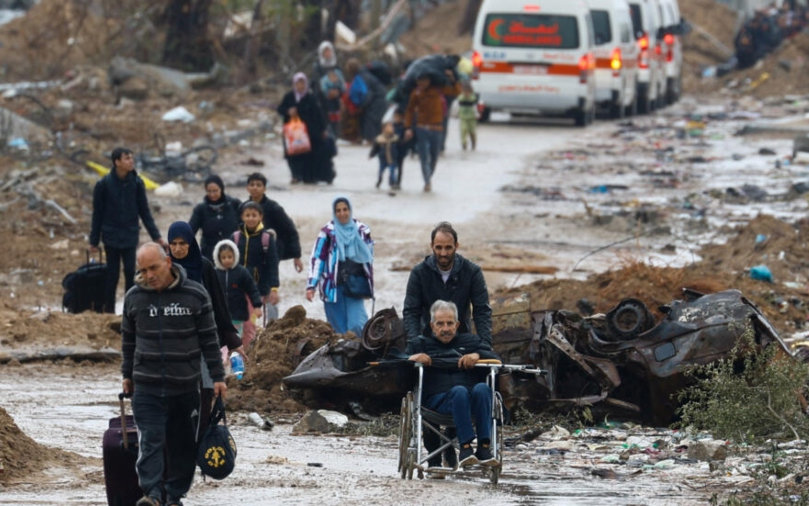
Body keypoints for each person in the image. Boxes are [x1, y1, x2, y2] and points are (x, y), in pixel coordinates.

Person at [121, 242, 227, 506]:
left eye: (153, 268)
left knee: (183, 447)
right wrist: (127, 374)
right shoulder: (134, 297)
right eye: (143, 270)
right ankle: (153, 495)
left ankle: (174, 495)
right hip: (147, 385)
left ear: (167, 262)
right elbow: (128, 340)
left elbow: (209, 340)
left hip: (185, 385)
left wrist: (218, 376)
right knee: (150, 442)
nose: (149, 275)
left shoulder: (195, 294)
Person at [166, 221, 244, 438]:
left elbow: (218, 304)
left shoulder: (204, 267)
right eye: (174, 243)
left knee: (205, 390)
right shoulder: (163, 269)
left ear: (191, 243)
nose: (178, 248)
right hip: (172, 344)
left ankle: (200, 439)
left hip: (202, 339)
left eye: (183, 243)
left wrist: (233, 340)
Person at [406, 300, 500, 468]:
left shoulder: (471, 342)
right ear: (432, 326)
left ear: (457, 325)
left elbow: (496, 360)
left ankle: (484, 448)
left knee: (483, 388)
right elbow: (398, 366)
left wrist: (477, 355)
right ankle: (465, 448)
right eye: (440, 324)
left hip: (469, 402)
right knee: (459, 391)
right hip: (437, 403)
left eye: (450, 323)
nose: (445, 328)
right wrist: (411, 359)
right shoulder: (420, 345)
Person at [89, 147, 166, 313]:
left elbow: (144, 212)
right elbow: (98, 214)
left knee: (131, 272)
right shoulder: (104, 185)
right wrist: (93, 241)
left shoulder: (137, 183)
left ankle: (130, 309)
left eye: (131, 158)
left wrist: (157, 237)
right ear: (117, 162)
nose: (131, 161)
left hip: (130, 235)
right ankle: (108, 309)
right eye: (127, 158)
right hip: (111, 235)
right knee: (112, 274)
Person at [403, 221, 492, 345]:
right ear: (431, 246)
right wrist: (414, 344)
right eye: (439, 247)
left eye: (448, 247)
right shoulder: (419, 273)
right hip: (428, 339)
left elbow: (482, 311)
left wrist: (485, 345)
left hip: (462, 339)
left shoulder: (472, 272)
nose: (443, 253)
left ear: (456, 245)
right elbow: (411, 311)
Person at [306, 197, 374, 336]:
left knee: (357, 325)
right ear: (334, 212)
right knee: (338, 331)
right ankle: (342, 357)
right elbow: (317, 258)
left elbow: (368, 259)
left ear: (350, 210)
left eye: (345, 209)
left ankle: (360, 355)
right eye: (338, 210)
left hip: (355, 286)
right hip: (332, 288)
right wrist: (311, 285)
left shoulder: (361, 231)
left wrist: (369, 286)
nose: (342, 214)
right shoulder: (328, 233)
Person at [232, 201, 280, 351]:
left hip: (258, 291)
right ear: (242, 216)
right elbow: (226, 263)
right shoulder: (235, 238)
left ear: (260, 217)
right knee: (235, 325)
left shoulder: (266, 239)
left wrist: (273, 288)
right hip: (236, 291)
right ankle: (236, 356)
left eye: (254, 215)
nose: (251, 218)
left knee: (252, 326)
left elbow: (273, 264)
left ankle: (250, 357)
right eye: (248, 215)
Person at [403, 72, 461, 192]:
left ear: (429, 81)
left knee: (434, 157)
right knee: (424, 156)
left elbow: (456, 92)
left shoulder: (439, 90)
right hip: (421, 128)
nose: (422, 83)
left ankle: (428, 177)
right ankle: (427, 181)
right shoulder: (416, 93)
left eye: (424, 80)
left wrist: (452, 80)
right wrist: (408, 127)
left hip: (437, 129)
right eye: (419, 81)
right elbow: (410, 110)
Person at [277, 73, 334, 184]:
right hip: (292, 133)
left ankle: (309, 177)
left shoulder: (310, 97)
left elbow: (319, 115)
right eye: (298, 83)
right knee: (292, 155)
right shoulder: (289, 97)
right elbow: (280, 109)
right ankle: (296, 176)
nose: (300, 86)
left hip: (309, 133)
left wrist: (322, 130)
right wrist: (288, 111)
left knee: (308, 155)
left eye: (302, 83)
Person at [244, 172, 304, 276]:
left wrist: (296, 256)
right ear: (247, 188)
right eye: (252, 185)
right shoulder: (243, 208)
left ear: (264, 188)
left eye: (258, 185)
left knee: (268, 282)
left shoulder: (274, 208)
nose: (255, 188)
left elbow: (290, 230)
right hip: (249, 251)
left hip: (271, 251)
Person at [213, 239, 262, 362]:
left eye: (230, 257)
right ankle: (223, 363)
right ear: (218, 258)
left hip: (237, 315)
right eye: (223, 257)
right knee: (221, 339)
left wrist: (257, 305)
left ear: (235, 256)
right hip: (220, 316)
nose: (227, 260)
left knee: (235, 340)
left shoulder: (241, 272)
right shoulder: (214, 273)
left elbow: (252, 289)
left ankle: (236, 366)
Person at [188, 175, 242, 262]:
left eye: (215, 191)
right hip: (209, 255)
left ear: (221, 189)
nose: (212, 194)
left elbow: (246, 225)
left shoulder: (234, 204)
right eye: (209, 191)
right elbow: (190, 231)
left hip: (232, 253)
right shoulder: (200, 209)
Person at [369, 121, 399, 190]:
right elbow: (375, 148)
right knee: (381, 171)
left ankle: (392, 183)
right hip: (383, 159)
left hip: (392, 158)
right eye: (388, 127)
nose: (390, 128)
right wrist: (371, 155)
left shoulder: (395, 138)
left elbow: (400, 147)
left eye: (391, 127)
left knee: (392, 171)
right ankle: (379, 180)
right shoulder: (379, 139)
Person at [457, 80, 479, 151]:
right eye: (464, 91)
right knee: (463, 130)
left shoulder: (473, 97)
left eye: (468, 91)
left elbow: (474, 101)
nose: (466, 93)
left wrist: (469, 96)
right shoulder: (461, 97)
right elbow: (459, 101)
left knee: (472, 131)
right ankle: (464, 143)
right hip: (463, 117)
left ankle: (473, 142)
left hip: (472, 117)